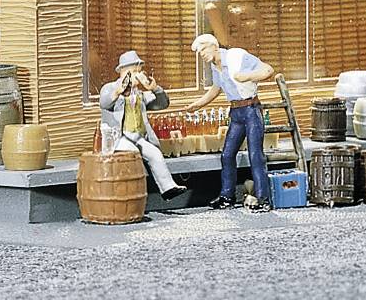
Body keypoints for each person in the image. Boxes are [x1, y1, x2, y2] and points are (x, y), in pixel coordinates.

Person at [186, 32, 274, 211]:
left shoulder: (236, 56)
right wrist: (198, 104)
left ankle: (263, 199)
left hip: (250, 110)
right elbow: (216, 88)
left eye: (204, 49)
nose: (202, 54)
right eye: (200, 52)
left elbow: (268, 70)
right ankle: (227, 196)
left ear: (214, 46)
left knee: (255, 155)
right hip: (236, 112)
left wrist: (247, 76)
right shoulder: (215, 66)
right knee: (227, 154)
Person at [96, 50, 184, 199]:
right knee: (133, 153)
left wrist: (154, 89)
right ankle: (131, 193)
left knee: (155, 154)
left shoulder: (140, 94)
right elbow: (104, 103)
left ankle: (168, 188)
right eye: (133, 71)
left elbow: (162, 104)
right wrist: (118, 92)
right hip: (120, 137)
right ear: (122, 72)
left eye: (139, 71)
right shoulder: (111, 88)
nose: (137, 75)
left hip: (138, 136)